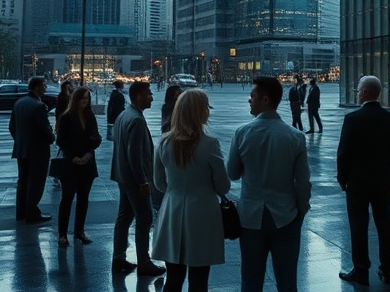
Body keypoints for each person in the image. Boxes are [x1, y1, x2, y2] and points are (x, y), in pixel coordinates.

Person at [227, 76, 311, 292]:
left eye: (252, 96)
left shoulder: (242, 133)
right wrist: (301, 210)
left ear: (264, 100)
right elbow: (302, 182)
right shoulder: (295, 136)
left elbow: (233, 173)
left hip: (250, 217)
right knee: (287, 281)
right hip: (285, 215)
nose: (249, 100)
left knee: (251, 280)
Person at [151, 89, 231, 292]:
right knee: (199, 280)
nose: (208, 111)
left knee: (173, 277)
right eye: (206, 107)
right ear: (199, 112)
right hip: (203, 213)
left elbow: (159, 183)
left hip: (172, 210)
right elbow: (223, 186)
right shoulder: (210, 144)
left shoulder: (164, 142)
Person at [337, 76, 390, 286]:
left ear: (365, 92)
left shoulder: (353, 119)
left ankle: (360, 269)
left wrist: (343, 178)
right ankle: (387, 269)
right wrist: (383, 161)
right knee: (384, 223)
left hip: (357, 181)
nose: (358, 93)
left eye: (359, 90)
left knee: (358, 224)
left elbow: (344, 153)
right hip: (382, 179)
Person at [110, 81, 165, 276]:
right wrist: (143, 182)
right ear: (138, 96)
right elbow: (135, 156)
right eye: (149, 93)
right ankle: (144, 262)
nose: (152, 97)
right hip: (134, 180)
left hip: (122, 175)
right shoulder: (137, 120)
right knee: (144, 218)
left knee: (124, 217)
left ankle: (118, 258)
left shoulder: (124, 115)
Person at [56, 86, 102, 246]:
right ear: (76, 100)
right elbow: (61, 140)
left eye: (87, 99)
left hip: (87, 162)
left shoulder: (89, 116)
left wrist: (89, 151)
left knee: (83, 198)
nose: (85, 102)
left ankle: (79, 231)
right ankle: (62, 233)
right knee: (67, 198)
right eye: (82, 99)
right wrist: (73, 155)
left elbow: (97, 137)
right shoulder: (66, 117)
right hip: (71, 163)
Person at [9, 77, 55, 223]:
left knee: (23, 181)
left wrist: (20, 140)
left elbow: (12, 126)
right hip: (38, 151)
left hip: (21, 149)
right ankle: (32, 212)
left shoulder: (19, 102)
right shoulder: (38, 105)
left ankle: (21, 212)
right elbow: (44, 130)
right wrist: (52, 137)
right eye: (44, 85)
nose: (46, 87)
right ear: (37, 87)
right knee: (36, 182)